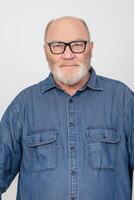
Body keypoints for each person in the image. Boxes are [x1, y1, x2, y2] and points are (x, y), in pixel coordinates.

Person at [0, 16, 134, 200]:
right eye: (57, 45)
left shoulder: (123, 100)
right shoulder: (22, 106)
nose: (68, 54)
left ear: (91, 48)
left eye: (77, 44)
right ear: (46, 51)